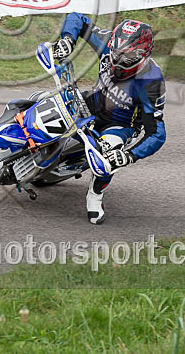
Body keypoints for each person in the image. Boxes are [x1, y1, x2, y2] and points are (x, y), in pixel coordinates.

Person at [52, 13, 166, 224]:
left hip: (119, 125)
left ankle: (95, 195)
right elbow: (78, 18)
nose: (117, 61)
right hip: (92, 103)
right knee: (45, 102)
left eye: (127, 58)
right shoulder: (108, 42)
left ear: (143, 55)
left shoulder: (152, 81)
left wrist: (130, 155)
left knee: (109, 155)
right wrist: (68, 39)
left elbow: (157, 132)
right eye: (114, 53)